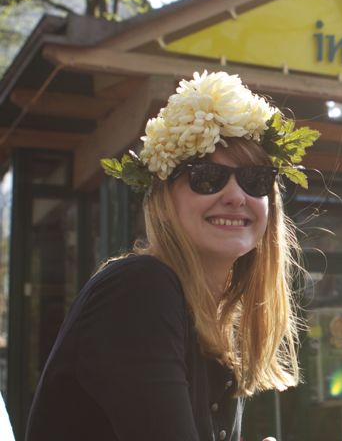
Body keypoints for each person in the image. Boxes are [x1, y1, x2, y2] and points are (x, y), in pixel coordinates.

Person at [25, 71, 319, 441]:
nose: (235, 196)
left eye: (255, 179)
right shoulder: (139, 289)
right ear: (164, 201)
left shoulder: (210, 318)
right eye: (207, 177)